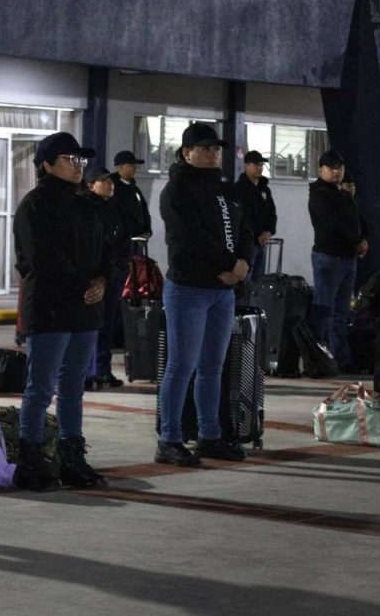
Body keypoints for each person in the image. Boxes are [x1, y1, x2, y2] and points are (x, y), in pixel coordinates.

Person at [13, 132, 111, 491]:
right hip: (50, 308)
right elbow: (41, 259)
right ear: (47, 164)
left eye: (80, 160)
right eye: (70, 159)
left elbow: (105, 251)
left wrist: (101, 280)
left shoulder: (86, 205)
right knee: (40, 388)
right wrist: (83, 283)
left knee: (73, 388)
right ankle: (30, 461)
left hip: (84, 310)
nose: (77, 166)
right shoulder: (34, 206)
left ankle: (71, 458)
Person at [155, 123, 255, 467]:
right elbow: (191, 238)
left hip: (222, 291)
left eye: (216, 149)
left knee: (212, 367)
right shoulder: (176, 191)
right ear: (187, 153)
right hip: (189, 289)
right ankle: (169, 439)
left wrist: (242, 264)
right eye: (205, 149)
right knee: (181, 366)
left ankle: (209, 436)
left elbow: (244, 229)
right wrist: (231, 265)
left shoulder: (225, 190)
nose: (213, 154)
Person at [307, 150, 368, 373]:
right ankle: (316, 359)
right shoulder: (319, 195)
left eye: (339, 167)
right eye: (331, 167)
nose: (336, 171)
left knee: (341, 313)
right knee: (323, 310)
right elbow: (332, 225)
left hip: (346, 258)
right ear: (321, 170)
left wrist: (361, 240)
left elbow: (355, 222)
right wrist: (356, 241)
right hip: (329, 258)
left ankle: (340, 359)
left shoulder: (342, 195)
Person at [83, 166, 129, 390]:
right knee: (92, 325)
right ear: (91, 185)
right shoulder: (86, 208)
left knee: (107, 324)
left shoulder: (114, 206)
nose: (110, 184)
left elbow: (123, 238)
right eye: (104, 181)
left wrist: (121, 264)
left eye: (111, 181)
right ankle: (89, 372)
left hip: (114, 273)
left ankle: (103, 370)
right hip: (94, 276)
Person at [234, 150, 277, 280]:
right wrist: (254, 234)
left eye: (261, 165)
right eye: (256, 164)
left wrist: (269, 232)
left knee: (258, 282)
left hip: (262, 242)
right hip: (247, 244)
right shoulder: (239, 189)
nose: (260, 168)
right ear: (247, 165)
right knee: (245, 281)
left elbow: (271, 213)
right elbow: (242, 217)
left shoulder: (264, 189)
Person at [110, 150, 152, 245]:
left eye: (136, 166)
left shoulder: (135, 189)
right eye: (132, 166)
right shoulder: (112, 189)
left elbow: (144, 212)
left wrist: (147, 231)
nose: (135, 169)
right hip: (122, 244)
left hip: (137, 242)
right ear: (120, 167)